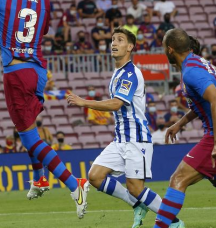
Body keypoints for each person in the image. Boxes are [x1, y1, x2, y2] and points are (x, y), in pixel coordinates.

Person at [0, 0, 89, 216]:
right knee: (25, 126)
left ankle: (73, 184)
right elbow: (40, 31)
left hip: (17, 72)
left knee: (29, 136)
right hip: (39, 71)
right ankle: (40, 179)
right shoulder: (43, 0)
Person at [67, 27, 184, 228]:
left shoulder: (130, 73)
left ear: (130, 47)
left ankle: (174, 222)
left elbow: (116, 104)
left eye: (120, 40)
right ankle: (138, 205)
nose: (113, 43)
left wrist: (84, 102)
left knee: (136, 188)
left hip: (136, 139)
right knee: (95, 177)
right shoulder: (118, 73)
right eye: (112, 39)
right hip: (121, 139)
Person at [153, 28, 216, 228]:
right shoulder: (197, 63)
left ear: (170, 49)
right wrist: (180, 123)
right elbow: (204, 103)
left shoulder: (192, 72)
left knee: (178, 179)